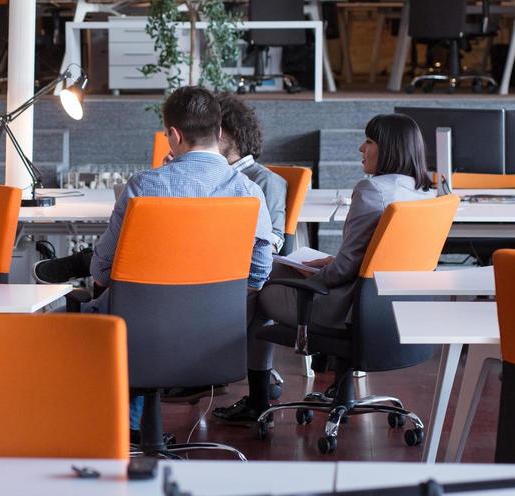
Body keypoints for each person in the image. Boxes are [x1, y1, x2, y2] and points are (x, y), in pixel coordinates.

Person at [34, 86, 276, 438]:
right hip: (216, 336)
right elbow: (260, 271)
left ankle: (103, 429)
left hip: (139, 331)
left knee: (66, 316)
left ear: (174, 135)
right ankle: (134, 425)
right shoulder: (248, 192)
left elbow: (102, 267)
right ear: (219, 132)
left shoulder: (144, 186)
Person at [214, 112, 435, 424]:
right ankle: (248, 385)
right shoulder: (425, 191)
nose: (361, 148)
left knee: (259, 283)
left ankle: (248, 393)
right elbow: (379, 257)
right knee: (275, 268)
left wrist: (316, 273)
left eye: (369, 142)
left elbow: (343, 272)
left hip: (347, 309)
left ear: (390, 149)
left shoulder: (372, 191)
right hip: (392, 308)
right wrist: (332, 262)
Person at [218, 93, 288, 252]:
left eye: (216, 132)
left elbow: (274, 240)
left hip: (239, 265)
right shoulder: (212, 175)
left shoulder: (266, 180)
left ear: (235, 134)